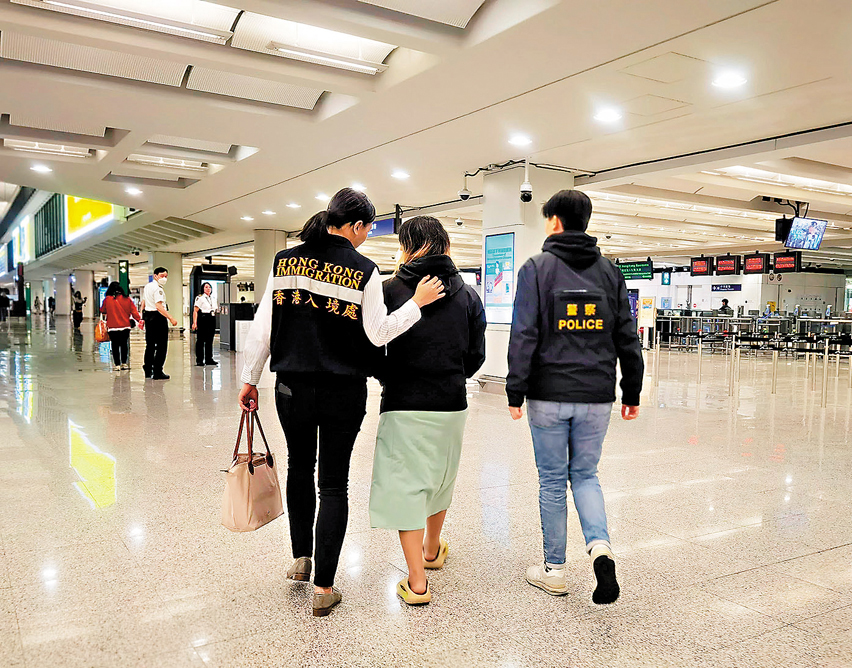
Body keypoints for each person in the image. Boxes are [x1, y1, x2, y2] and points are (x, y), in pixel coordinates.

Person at [238, 189, 445, 618]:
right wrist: (416, 306)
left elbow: (265, 327)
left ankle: (301, 557)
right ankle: (324, 588)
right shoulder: (363, 269)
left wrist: (249, 378)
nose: (368, 235)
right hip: (341, 391)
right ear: (354, 226)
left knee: (299, 467)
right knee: (333, 484)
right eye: (368, 227)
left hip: (290, 387)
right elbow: (377, 333)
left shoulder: (285, 261)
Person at [506, 189, 644, 605]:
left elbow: (524, 334)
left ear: (555, 221)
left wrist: (515, 389)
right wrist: (631, 390)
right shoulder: (610, 273)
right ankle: (600, 549)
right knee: (585, 476)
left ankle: (555, 571)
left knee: (552, 481)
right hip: (597, 396)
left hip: (547, 395)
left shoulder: (536, 269)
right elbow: (627, 336)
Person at [369, 217, 486, 606]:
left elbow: (372, 348)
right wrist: (452, 376)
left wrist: (391, 378)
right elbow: (476, 355)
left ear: (406, 246)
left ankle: (417, 582)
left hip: (403, 403)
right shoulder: (468, 295)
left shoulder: (389, 290)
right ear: (445, 244)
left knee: (406, 487)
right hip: (451, 403)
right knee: (439, 478)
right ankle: (433, 549)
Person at [141, 268, 178, 380]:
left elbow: (143, 302)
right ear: (155, 276)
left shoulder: (148, 286)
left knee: (150, 345)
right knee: (162, 346)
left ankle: (148, 369)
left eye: (166, 276)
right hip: (158, 318)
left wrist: (142, 317)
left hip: (148, 316)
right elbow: (159, 306)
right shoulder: (158, 289)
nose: (164, 278)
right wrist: (171, 318)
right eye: (162, 276)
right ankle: (157, 371)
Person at [100, 281, 142, 371]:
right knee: (124, 345)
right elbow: (134, 312)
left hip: (112, 327)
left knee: (114, 346)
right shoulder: (127, 299)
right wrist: (139, 320)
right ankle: (124, 363)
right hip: (125, 326)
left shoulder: (107, 299)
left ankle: (117, 365)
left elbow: (102, 310)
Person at [192, 282, 218, 366]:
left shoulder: (213, 298)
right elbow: (195, 311)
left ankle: (209, 359)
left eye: (209, 287)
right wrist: (194, 323)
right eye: (206, 287)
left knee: (209, 340)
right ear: (203, 288)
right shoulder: (200, 298)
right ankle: (199, 359)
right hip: (203, 318)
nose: (208, 289)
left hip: (212, 318)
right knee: (201, 340)